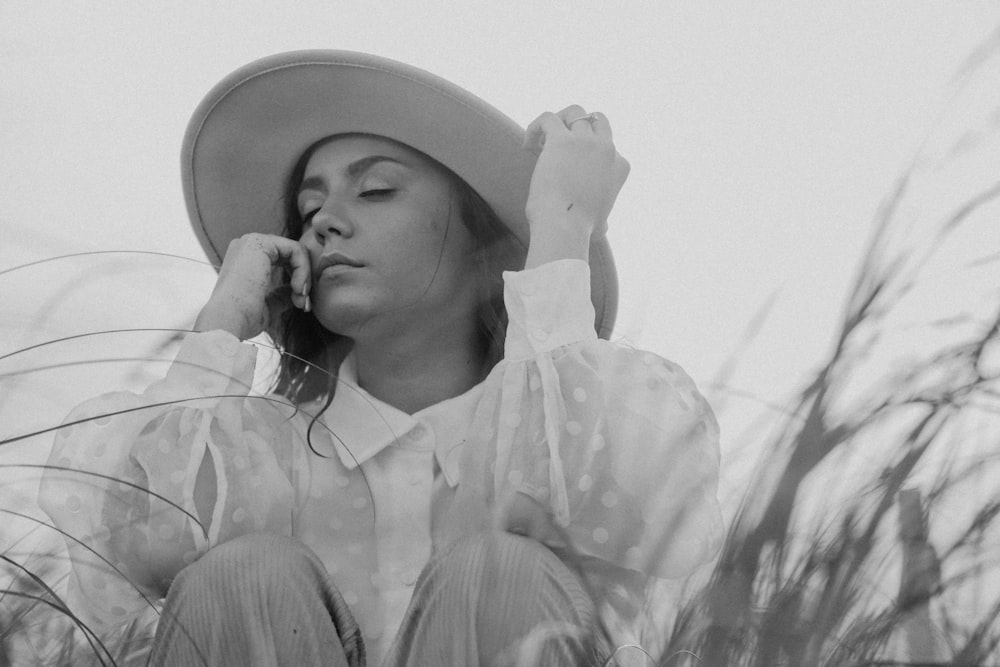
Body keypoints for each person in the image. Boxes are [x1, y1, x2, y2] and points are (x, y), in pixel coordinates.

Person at [38, 50, 723, 666]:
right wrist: (223, 322)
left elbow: (575, 498)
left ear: (487, 250)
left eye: (376, 190)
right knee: (240, 573)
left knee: (500, 570)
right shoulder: (263, 453)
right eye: (308, 209)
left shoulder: (588, 421)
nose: (325, 221)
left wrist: (562, 228)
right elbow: (147, 540)